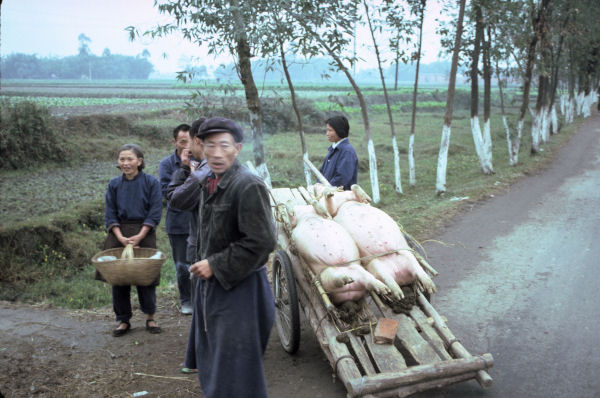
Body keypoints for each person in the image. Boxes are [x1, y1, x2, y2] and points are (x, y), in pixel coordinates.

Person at [174, 116, 276, 398]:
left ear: (238, 148)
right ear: (201, 148)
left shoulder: (247, 185)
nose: (216, 153)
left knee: (236, 371)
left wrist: (215, 264)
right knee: (216, 362)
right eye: (209, 146)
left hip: (241, 291)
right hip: (215, 288)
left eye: (224, 146)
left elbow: (263, 241)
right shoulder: (210, 180)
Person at [100, 143, 163, 337]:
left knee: (146, 277)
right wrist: (120, 236)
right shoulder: (114, 185)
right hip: (119, 234)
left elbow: (155, 211)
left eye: (129, 159)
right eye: (122, 159)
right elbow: (110, 213)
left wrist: (141, 235)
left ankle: (150, 317)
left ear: (139, 161)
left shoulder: (151, 183)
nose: (125, 163)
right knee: (119, 278)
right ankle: (123, 319)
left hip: (144, 232)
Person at [167, 117, 210, 375]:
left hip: (203, 247)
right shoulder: (215, 168)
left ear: (197, 141)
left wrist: (184, 171)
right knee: (205, 305)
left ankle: (202, 358)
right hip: (207, 246)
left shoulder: (202, 170)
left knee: (203, 306)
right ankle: (197, 357)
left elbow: (175, 198)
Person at [159, 123, 194, 315]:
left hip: (199, 221)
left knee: (202, 261)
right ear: (174, 142)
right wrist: (183, 166)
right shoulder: (166, 164)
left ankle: (202, 298)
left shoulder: (201, 161)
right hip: (178, 223)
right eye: (182, 142)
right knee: (182, 265)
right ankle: (186, 300)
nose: (187, 146)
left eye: (190, 141)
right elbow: (167, 193)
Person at [319, 115, 358, 190]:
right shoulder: (332, 149)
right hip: (328, 193)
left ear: (339, 130)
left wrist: (325, 188)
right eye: (327, 130)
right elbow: (322, 173)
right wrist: (319, 184)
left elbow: (342, 179)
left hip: (340, 197)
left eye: (330, 130)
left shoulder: (347, 151)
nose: (327, 134)